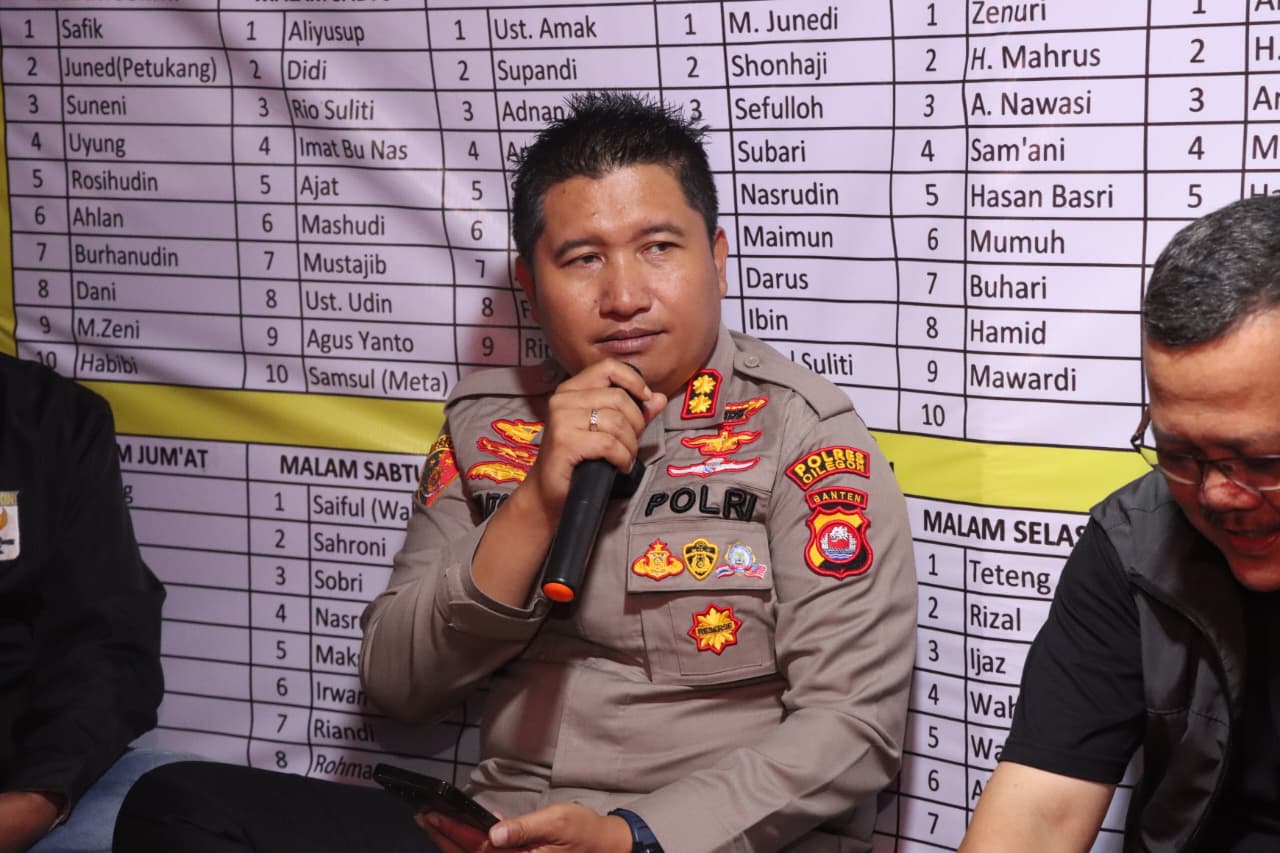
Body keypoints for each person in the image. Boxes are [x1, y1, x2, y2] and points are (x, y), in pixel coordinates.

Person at [115, 90, 917, 853]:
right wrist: (536, 497)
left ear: (716, 258)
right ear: (531, 287)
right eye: (583, 258)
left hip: (681, 838)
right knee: (179, 803)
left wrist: (633, 835)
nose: (624, 295)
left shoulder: (804, 435)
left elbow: (854, 728)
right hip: (498, 827)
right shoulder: (489, 425)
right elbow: (397, 682)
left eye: (658, 248)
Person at [959, 194, 1280, 853]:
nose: (1218, 494)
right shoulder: (1134, 545)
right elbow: (1038, 815)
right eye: (1179, 454)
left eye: (1261, 460)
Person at [0, 353, 170, 853]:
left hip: (20, 781)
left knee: (191, 807)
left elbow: (109, 640)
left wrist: (39, 797)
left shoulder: (57, 419)